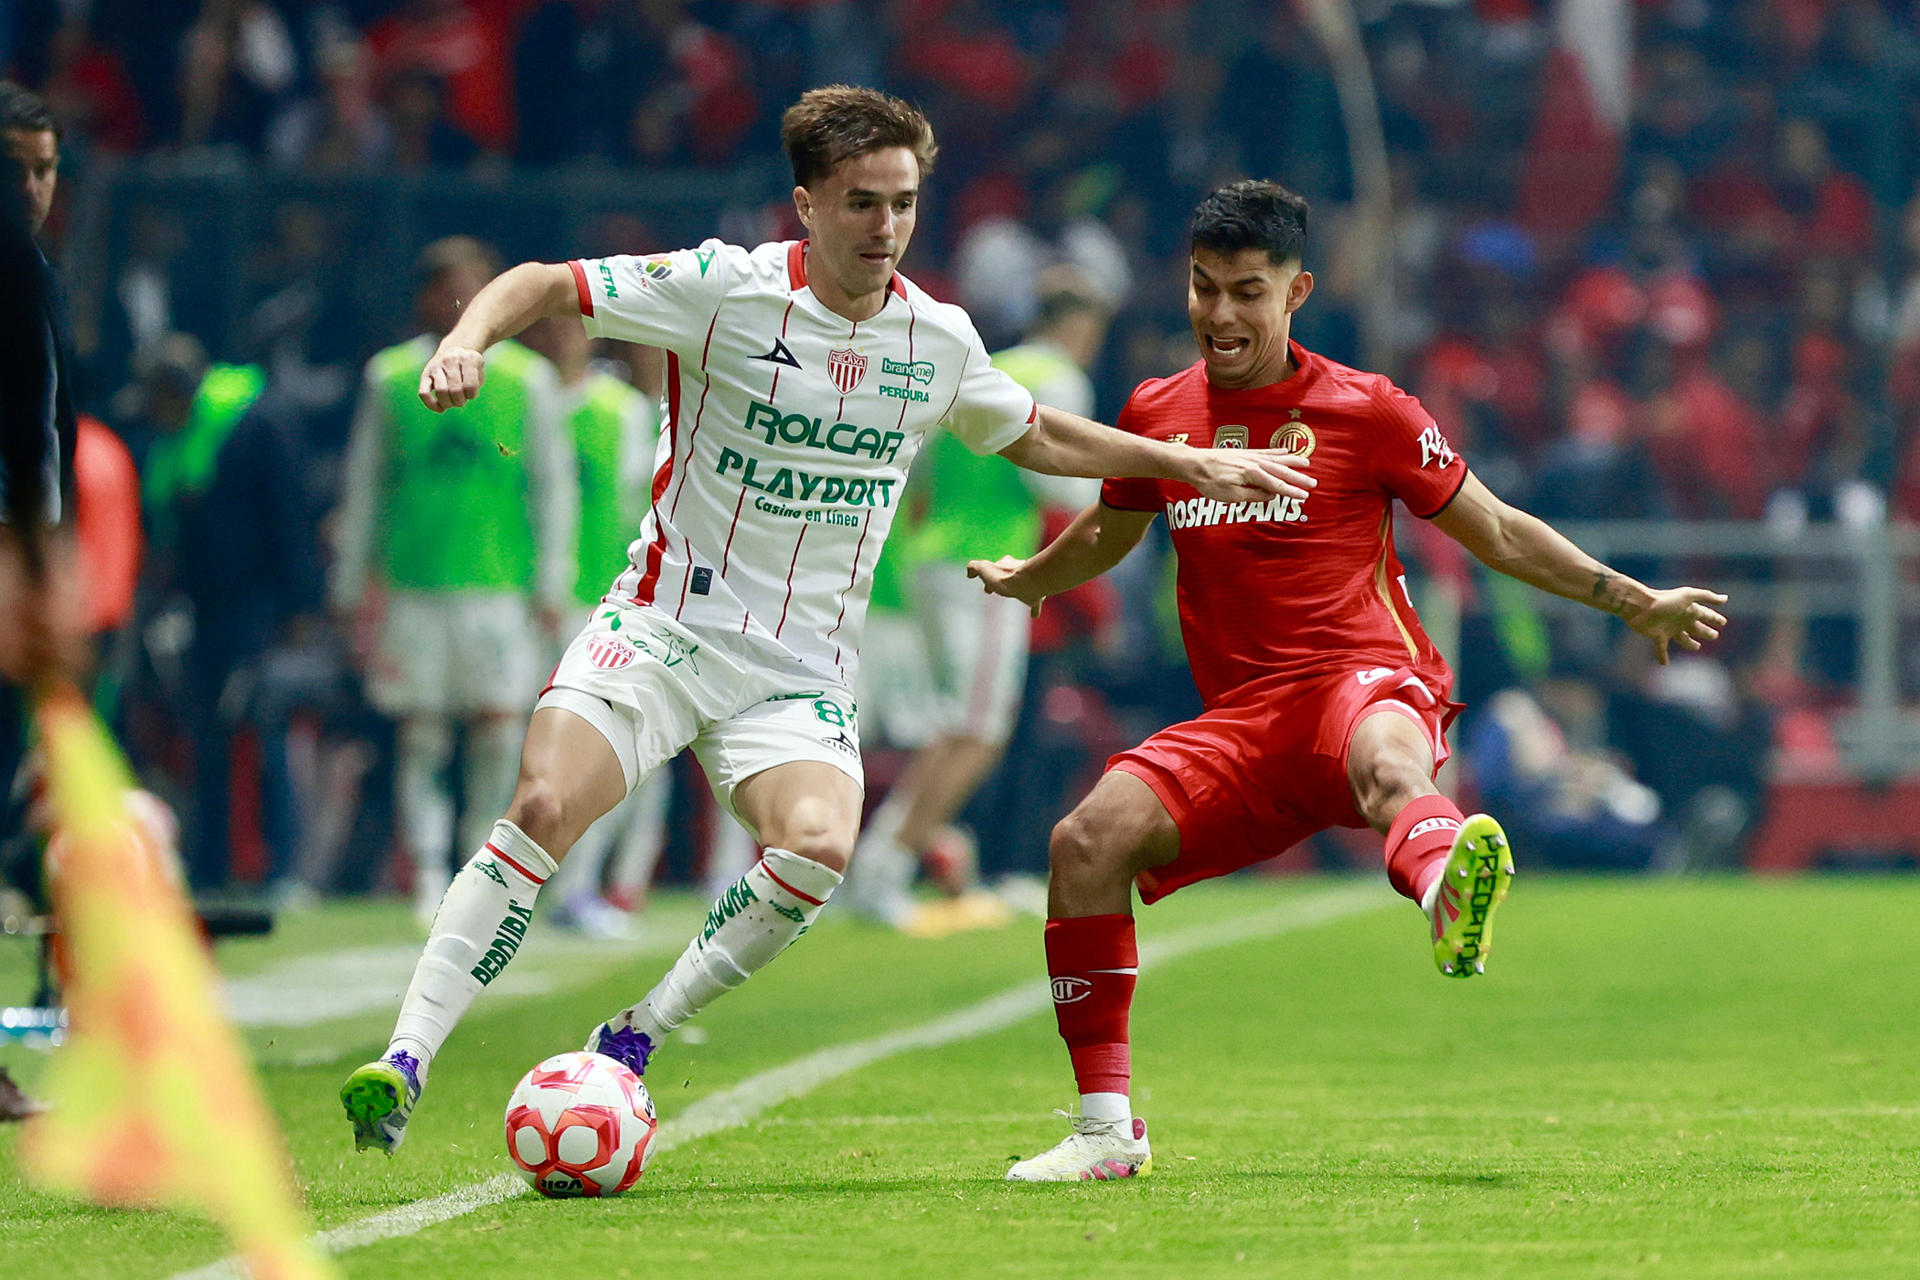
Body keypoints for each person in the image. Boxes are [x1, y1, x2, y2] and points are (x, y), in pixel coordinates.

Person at [339, 86, 1305, 1156]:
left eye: (902, 203)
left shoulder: (936, 337)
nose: (886, 227)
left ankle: (636, 1033)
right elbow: (540, 283)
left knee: (815, 848)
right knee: (541, 800)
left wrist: (1181, 461)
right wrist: (466, 340)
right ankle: (407, 1056)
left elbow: (1034, 436)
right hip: (665, 625)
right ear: (806, 205)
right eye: (861, 203)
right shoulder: (721, 287)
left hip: (800, 665)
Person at [969, 181, 1728, 1181]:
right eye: (1204, 289)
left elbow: (1495, 530)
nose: (1222, 314)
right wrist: (1032, 578)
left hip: (1360, 676)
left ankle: (1446, 889)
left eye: (1248, 290)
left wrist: (1632, 600)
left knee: (1384, 758)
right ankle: (1106, 1131)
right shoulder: (1159, 411)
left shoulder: (1367, 410)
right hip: (1241, 718)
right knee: (1084, 843)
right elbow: (1111, 529)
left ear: (1298, 292)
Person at [847, 267, 1114, 930]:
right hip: (993, 566)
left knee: (958, 724)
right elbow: (1059, 484)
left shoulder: (987, 368)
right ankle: (883, 869)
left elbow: (925, 466)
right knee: (976, 730)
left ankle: (888, 861)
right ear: (1080, 329)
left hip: (933, 557)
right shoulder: (1056, 379)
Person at [329, 237, 577, 925]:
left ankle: (476, 861)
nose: (460, 300)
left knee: (499, 730)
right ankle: (428, 871)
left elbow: (550, 490)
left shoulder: (528, 379)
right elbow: (365, 485)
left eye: (473, 285)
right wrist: (353, 587)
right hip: (415, 583)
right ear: (427, 297)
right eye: (447, 287)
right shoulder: (390, 377)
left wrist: (551, 583)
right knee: (422, 732)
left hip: (499, 587)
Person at [517, 312, 669, 939]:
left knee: (623, 748)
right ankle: (541, 885)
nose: (559, 341)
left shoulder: (621, 410)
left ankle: (615, 882)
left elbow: (648, 501)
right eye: (547, 332)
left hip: (604, 604)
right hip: (530, 601)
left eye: (568, 330)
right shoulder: (520, 399)